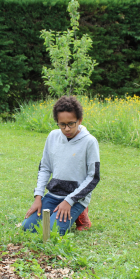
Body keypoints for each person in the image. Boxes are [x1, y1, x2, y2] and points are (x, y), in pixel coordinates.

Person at [23, 96, 100, 235]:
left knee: (52, 232)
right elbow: (45, 167)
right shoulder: (52, 136)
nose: (67, 129)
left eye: (71, 123)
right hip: (53, 195)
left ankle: (81, 213)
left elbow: (93, 177)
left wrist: (69, 201)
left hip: (76, 198)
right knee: (27, 228)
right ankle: (67, 213)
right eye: (62, 124)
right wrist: (38, 197)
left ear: (80, 120)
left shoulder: (90, 142)